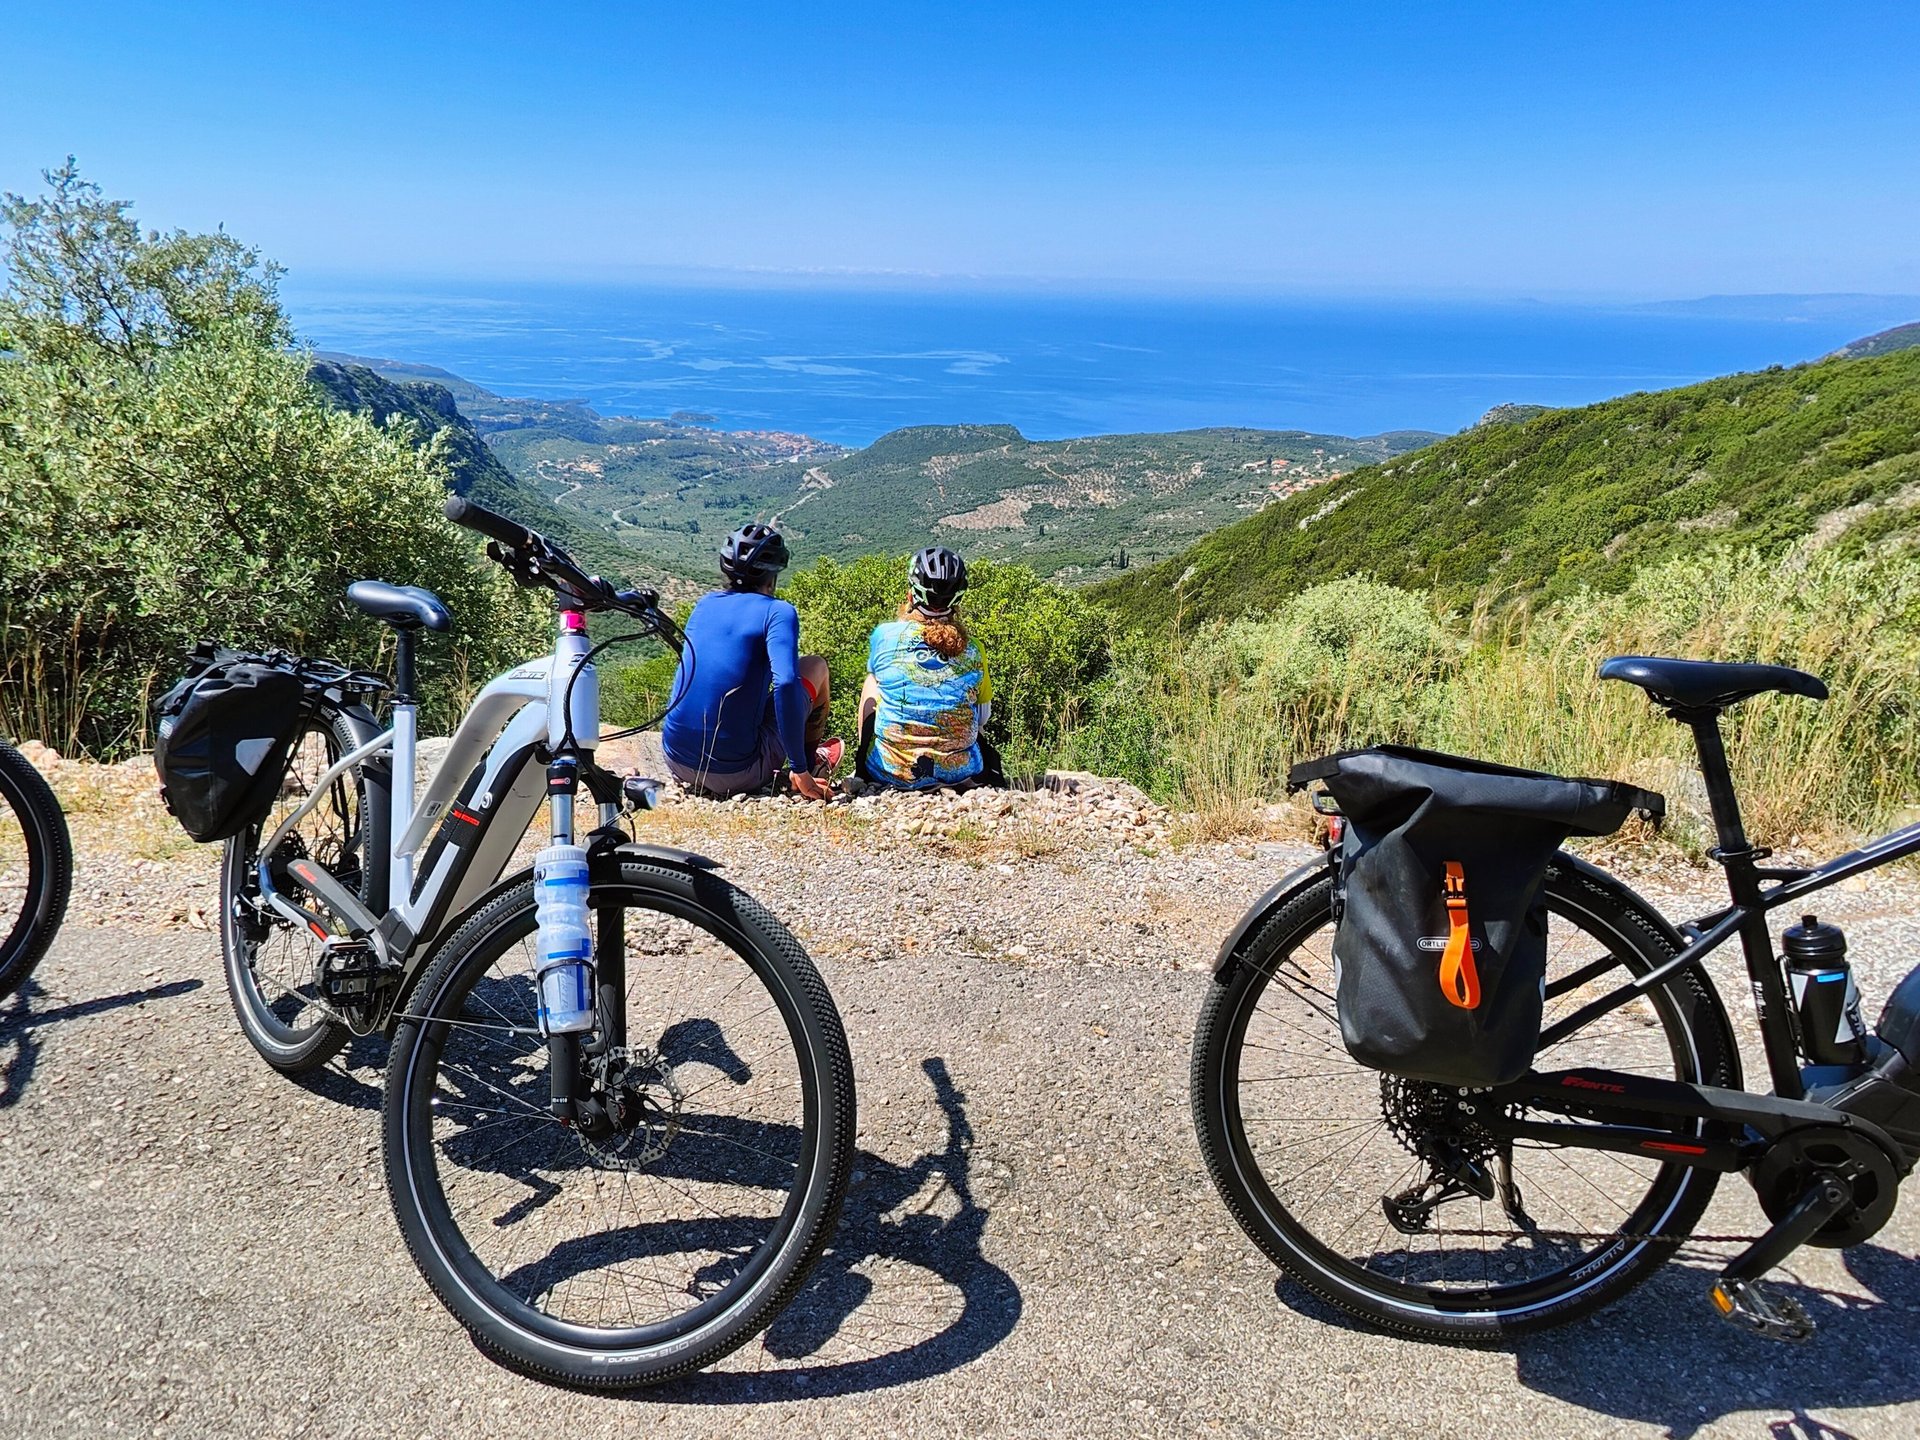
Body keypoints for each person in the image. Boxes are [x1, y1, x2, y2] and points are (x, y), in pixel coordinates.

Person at [661, 523, 842, 800]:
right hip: (738, 771)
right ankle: (809, 766)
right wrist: (797, 766)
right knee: (815, 666)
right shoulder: (778, 612)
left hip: (676, 760)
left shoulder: (705, 604)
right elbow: (785, 685)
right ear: (773, 575)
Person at [857, 546, 1003, 790]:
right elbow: (982, 718)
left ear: (911, 596)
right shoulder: (974, 649)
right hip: (962, 774)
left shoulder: (883, 636)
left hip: (890, 772)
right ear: (957, 600)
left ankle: (862, 763)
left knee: (872, 681)